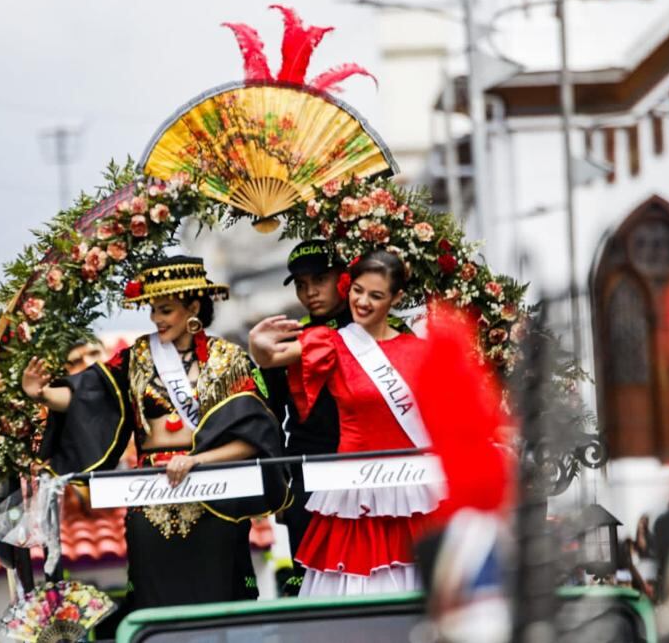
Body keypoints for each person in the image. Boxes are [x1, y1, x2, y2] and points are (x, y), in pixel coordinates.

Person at [25, 255, 286, 609]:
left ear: (193, 306)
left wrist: (197, 459)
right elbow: (86, 397)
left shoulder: (229, 359)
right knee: (155, 598)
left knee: (218, 597)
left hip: (216, 495)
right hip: (151, 492)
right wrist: (40, 393)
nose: (155, 319)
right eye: (153, 310)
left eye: (165, 310)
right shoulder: (136, 357)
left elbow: (253, 437)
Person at [252, 249, 437, 595]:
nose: (363, 302)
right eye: (358, 291)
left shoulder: (416, 347)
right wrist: (257, 344)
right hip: (343, 482)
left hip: (406, 485)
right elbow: (270, 363)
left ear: (396, 298)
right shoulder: (329, 342)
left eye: (376, 295)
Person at [249, 240, 349, 593]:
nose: (310, 292)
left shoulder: (381, 329)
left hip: (375, 467)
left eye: (319, 280)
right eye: (301, 285)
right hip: (311, 471)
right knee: (310, 581)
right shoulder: (287, 340)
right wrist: (279, 488)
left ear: (344, 276)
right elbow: (269, 416)